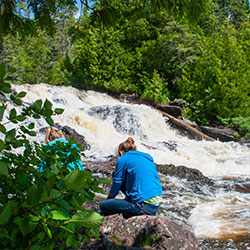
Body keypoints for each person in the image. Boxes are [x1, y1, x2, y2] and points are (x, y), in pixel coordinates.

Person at [100, 137, 162, 219]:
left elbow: (117, 182)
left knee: (103, 205)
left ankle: (132, 205)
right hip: (156, 205)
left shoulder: (123, 159)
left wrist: (108, 200)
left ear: (121, 152)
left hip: (142, 206)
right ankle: (130, 200)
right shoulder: (147, 159)